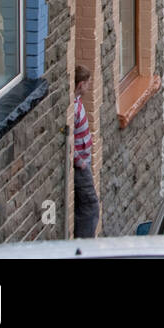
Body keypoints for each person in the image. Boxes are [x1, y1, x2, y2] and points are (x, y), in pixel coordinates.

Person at [73, 65, 99, 238]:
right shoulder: (73, 108)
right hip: (81, 166)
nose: (89, 87)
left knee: (81, 205)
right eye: (87, 84)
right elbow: (70, 139)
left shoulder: (77, 101)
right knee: (90, 205)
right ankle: (84, 246)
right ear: (80, 84)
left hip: (84, 161)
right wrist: (79, 162)